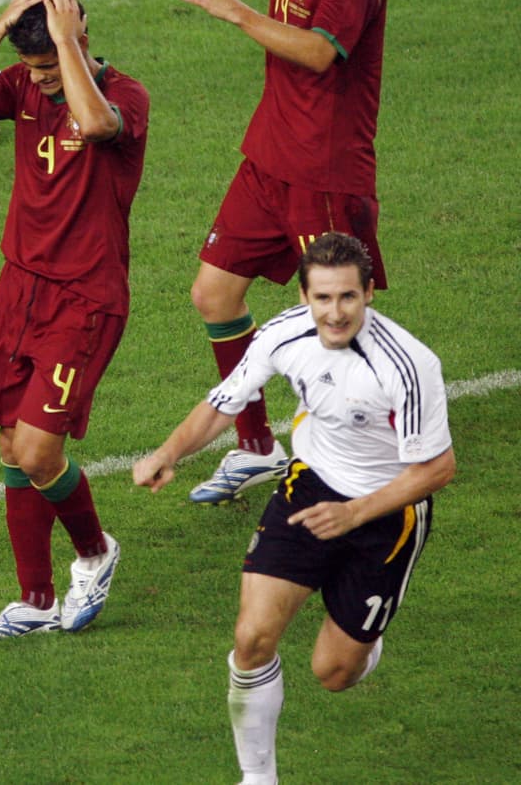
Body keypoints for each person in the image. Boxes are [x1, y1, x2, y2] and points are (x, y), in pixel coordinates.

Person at [133, 233, 455, 785]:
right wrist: (169, 452)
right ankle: (258, 778)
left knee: (333, 674)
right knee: (251, 640)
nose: (336, 313)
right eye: (323, 298)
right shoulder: (283, 335)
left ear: (370, 294)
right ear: (305, 296)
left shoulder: (409, 365)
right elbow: (224, 402)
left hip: (386, 516)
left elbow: (437, 469)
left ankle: (362, 642)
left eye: (348, 298)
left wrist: (355, 515)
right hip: (308, 490)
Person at [177, 0, 390, 504]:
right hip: (268, 157)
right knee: (213, 294)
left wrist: (236, 12)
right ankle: (256, 444)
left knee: (338, 316)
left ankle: (369, 449)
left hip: (324, 171)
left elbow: (323, 52)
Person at [0, 0, 149, 641]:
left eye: (51, 62)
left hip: (85, 299)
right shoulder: (23, 85)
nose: (43, 78)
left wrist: (64, 46)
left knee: (36, 448)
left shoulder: (124, 96)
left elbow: (98, 124)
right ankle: (34, 598)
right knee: (8, 443)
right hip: (21, 291)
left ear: (81, 34)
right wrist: (1, 25)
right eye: (36, 68)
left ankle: (94, 552)